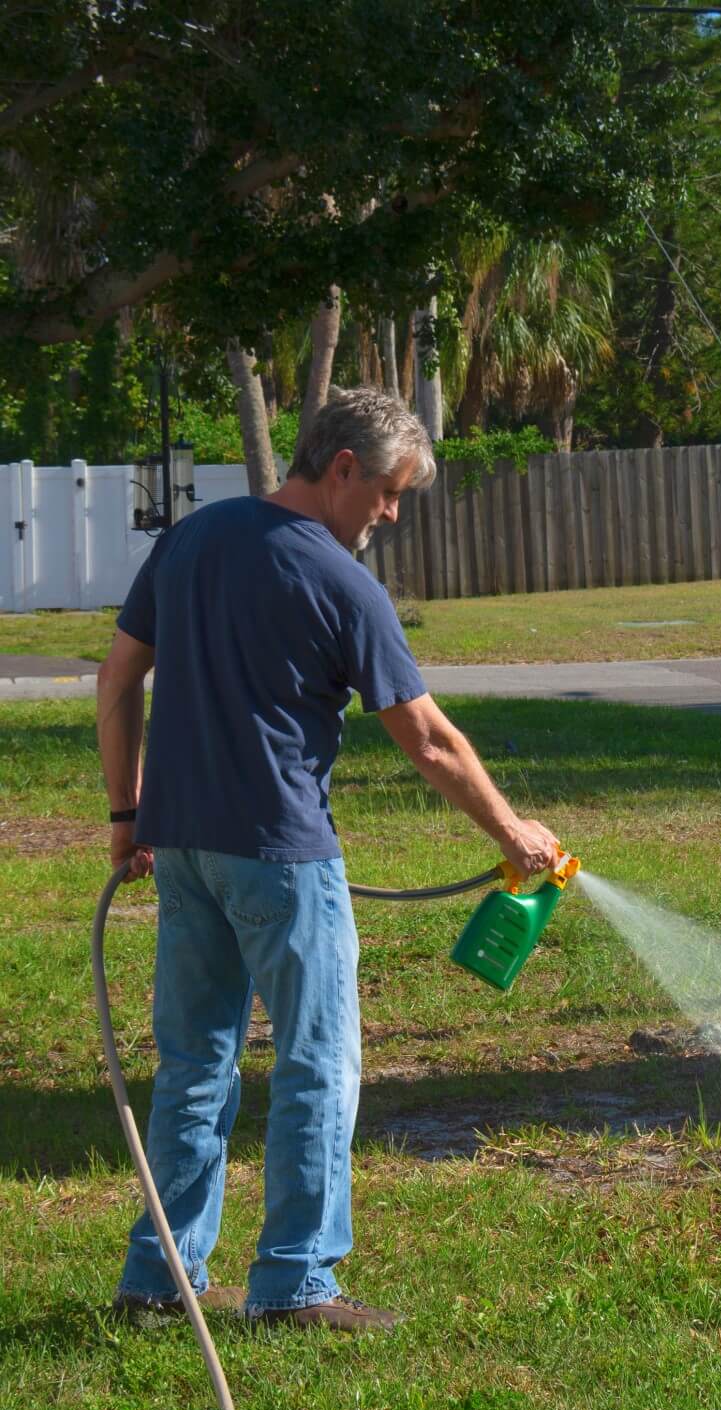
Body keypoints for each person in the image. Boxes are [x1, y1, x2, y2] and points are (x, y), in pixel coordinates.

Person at [96, 387, 557, 1333]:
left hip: (180, 847)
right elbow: (427, 739)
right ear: (342, 468)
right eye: (388, 492)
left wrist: (126, 812)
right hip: (280, 858)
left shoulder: (191, 539)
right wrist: (516, 837)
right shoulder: (342, 583)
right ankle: (296, 1284)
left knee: (195, 1064)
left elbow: (117, 677)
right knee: (316, 1064)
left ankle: (160, 1283)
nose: (390, 515)